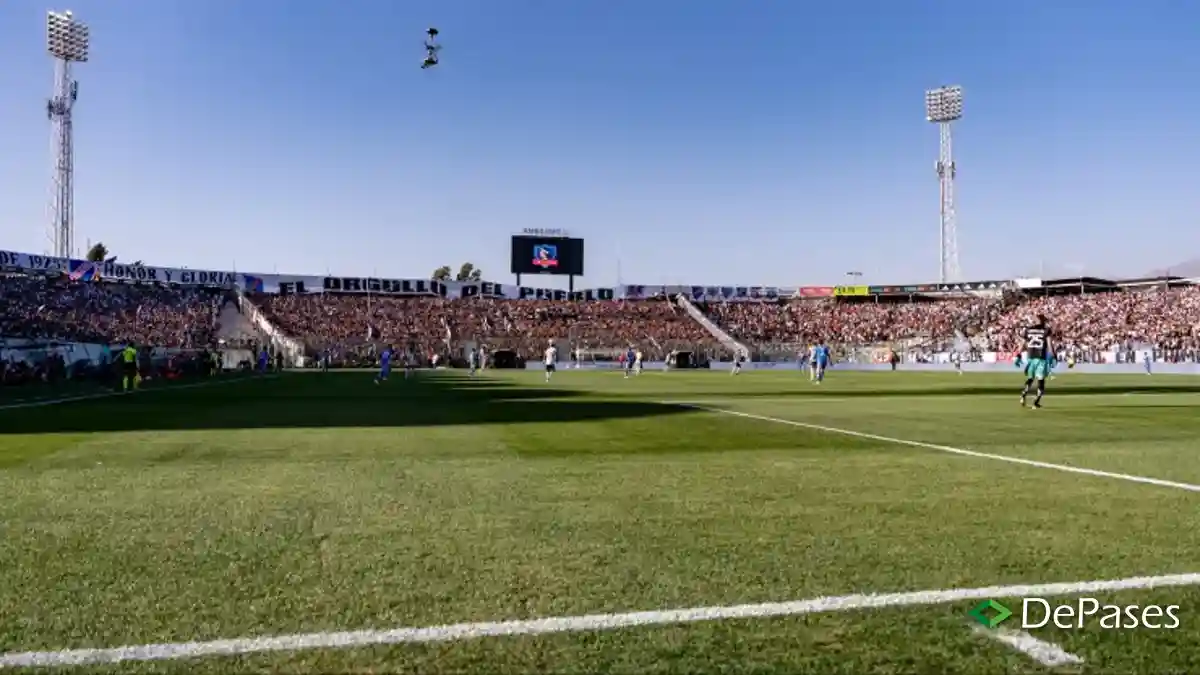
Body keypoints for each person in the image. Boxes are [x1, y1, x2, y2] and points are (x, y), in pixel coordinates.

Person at [1019, 315, 1052, 409]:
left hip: (1030, 357)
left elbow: (1022, 344)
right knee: (1041, 380)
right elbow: (1049, 345)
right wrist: (1053, 356)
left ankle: (1023, 394)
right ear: (1041, 321)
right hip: (1041, 357)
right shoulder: (1046, 330)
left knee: (1030, 378)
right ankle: (1036, 401)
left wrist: (1018, 354)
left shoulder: (1028, 330)